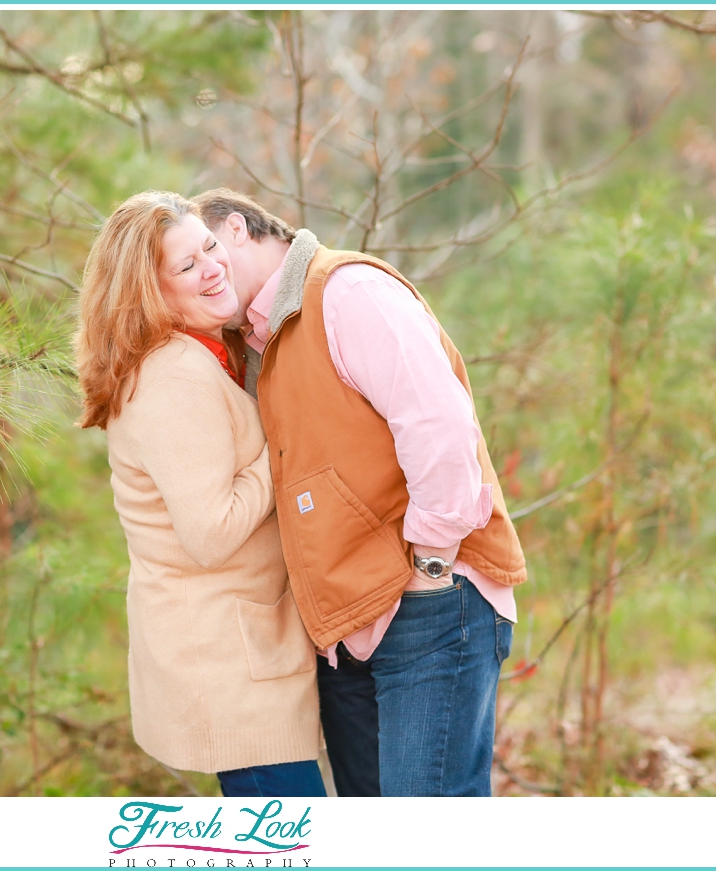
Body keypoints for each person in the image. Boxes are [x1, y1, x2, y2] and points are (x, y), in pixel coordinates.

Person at [190, 188, 528, 797]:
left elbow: (440, 427)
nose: (204, 277)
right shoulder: (256, 343)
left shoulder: (347, 293)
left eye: (207, 251)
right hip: (346, 630)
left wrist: (430, 562)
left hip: (425, 604)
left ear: (237, 227)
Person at [74, 191, 326, 798]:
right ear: (149, 293)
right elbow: (211, 532)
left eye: (210, 248)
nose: (213, 268)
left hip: (245, 655)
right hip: (227, 666)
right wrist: (287, 438)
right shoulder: (171, 376)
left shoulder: (204, 354)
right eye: (186, 266)